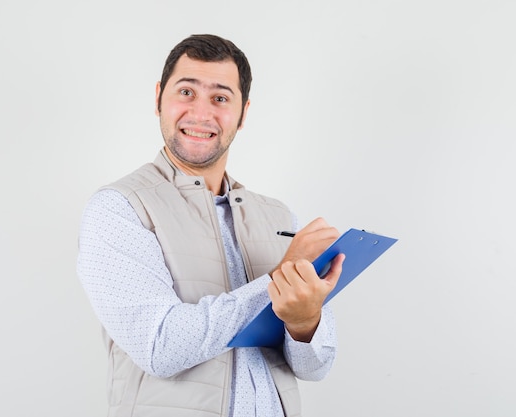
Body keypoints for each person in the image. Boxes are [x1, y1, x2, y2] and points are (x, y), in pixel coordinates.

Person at [77, 34, 345, 417]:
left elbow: (316, 366)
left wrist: (305, 324)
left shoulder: (280, 218)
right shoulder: (119, 208)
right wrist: (278, 281)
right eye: (186, 92)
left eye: (220, 98)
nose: (201, 113)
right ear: (158, 98)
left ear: (243, 112)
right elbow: (160, 347)